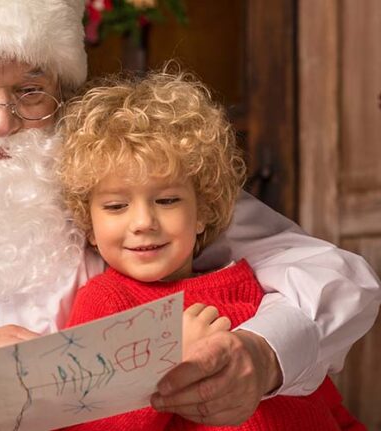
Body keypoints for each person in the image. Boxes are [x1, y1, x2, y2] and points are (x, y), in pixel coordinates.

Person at [0, 0, 381, 428]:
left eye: (30, 91)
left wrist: (264, 353)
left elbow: (328, 271)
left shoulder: (100, 159)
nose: (1, 122)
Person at [57, 71, 364, 430]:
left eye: (167, 200)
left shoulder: (251, 284)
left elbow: (318, 400)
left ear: (203, 211)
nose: (143, 222)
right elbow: (88, 424)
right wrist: (164, 360)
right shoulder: (105, 304)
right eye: (115, 206)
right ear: (89, 225)